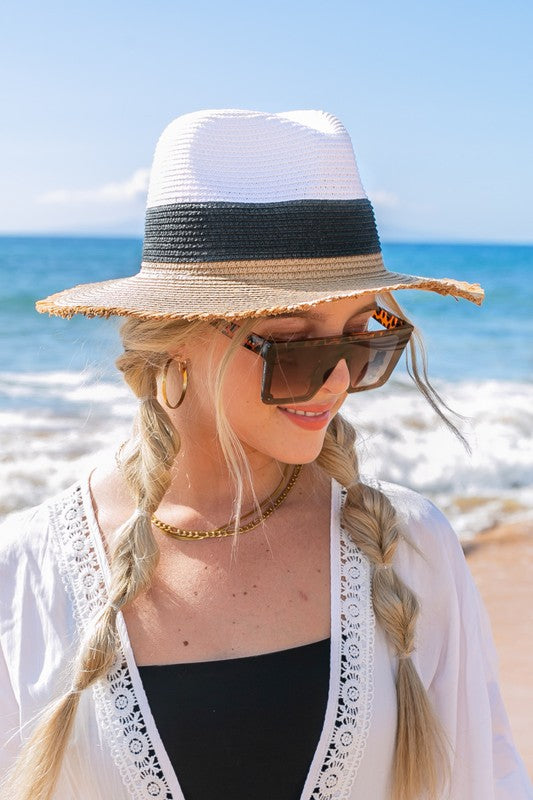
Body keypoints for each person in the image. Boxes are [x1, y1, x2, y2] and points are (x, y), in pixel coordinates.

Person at [0, 108, 531, 800]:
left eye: (363, 334)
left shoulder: (409, 550)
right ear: (174, 340)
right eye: (296, 342)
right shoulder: (27, 572)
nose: (339, 379)